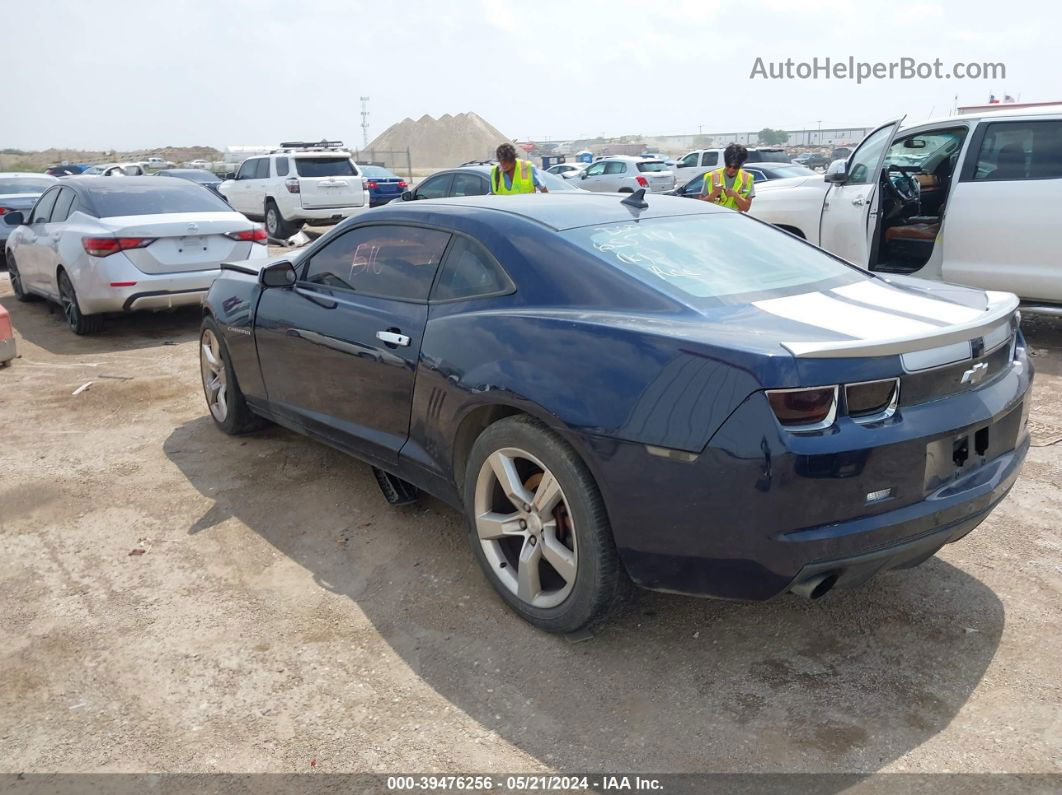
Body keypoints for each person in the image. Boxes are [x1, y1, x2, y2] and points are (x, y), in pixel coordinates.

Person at [701, 143, 754, 212]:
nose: (731, 170)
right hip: (714, 219)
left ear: (742, 164)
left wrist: (736, 196)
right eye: (728, 166)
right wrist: (714, 194)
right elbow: (701, 204)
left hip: (735, 220)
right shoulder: (711, 176)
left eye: (735, 167)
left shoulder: (748, 178)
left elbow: (746, 208)